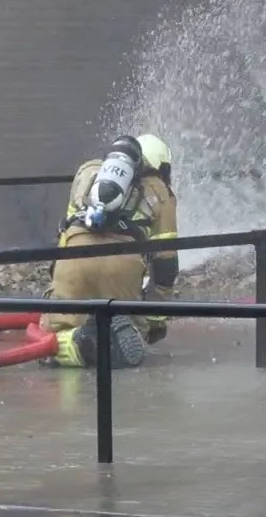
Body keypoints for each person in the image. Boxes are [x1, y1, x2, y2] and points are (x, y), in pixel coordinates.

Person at [40, 133, 179, 369]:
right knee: (132, 331)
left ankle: (70, 341)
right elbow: (166, 265)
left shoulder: (87, 174)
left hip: (73, 262)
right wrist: (154, 320)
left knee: (51, 330)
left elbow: (63, 236)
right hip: (121, 266)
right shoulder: (160, 192)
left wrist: (54, 291)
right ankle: (109, 341)